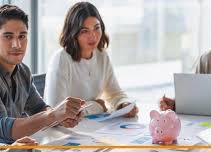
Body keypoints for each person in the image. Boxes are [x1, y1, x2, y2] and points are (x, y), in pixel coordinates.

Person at [0, 4, 85, 144]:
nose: (17, 44)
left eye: (22, 36)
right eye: (8, 37)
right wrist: (53, 115)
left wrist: (61, 117)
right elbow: (4, 129)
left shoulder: (23, 71)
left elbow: (39, 108)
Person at [45, 2, 139, 117]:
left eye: (96, 28)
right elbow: (57, 111)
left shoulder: (102, 55)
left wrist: (124, 104)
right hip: (64, 131)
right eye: (85, 31)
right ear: (73, 33)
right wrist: (97, 106)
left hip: (92, 127)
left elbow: (114, 93)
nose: (93, 36)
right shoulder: (61, 58)